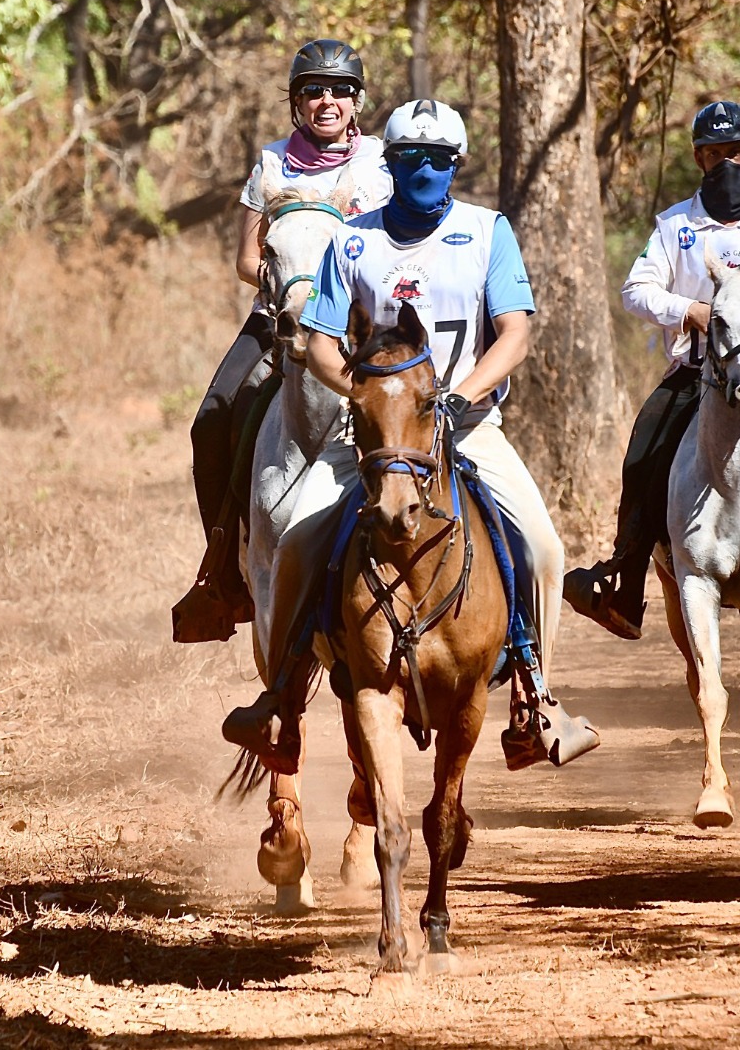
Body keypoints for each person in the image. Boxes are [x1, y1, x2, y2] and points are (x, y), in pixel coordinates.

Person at [229, 98, 598, 769]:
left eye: (436, 159)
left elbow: (514, 333)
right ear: (388, 163)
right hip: (374, 437)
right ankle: (281, 698)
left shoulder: (489, 230)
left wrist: (461, 396)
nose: (423, 169)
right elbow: (317, 343)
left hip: (469, 426)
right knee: (294, 543)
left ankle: (534, 696)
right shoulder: (353, 238)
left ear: (456, 164)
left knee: (544, 548)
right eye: (408, 158)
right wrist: (369, 400)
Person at [563, 100, 740, 640]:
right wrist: (688, 311)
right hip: (698, 375)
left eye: (733, 151)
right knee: (643, 452)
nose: (723, 163)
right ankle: (624, 581)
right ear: (697, 159)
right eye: (712, 154)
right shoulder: (674, 225)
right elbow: (636, 289)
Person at [177, 39, 391, 638]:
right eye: (313, 91)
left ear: (357, 99)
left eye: (339, 91)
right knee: (210, 421)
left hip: (359, 316)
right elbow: (246, 259)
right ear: (296, 102)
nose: (327, 101)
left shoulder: (378, 163)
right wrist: (286, 283)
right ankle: (224, 573)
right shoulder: (270, 164)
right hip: (279, 311)